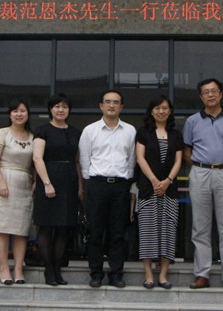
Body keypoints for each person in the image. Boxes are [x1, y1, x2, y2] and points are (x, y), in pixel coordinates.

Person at [182, 78, 223, 290]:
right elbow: (187, 151)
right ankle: (202, 274)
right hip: (200, 172)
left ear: (220, 94)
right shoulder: (192, 121)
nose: (210, 95)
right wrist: (200, 166)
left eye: (214, 91)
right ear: (201, 97)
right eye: (206, 92)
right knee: (200, 227)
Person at [79, 90, 137, 288]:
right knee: (95, 231)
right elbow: (85, 159)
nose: (112, 105)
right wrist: (90, 183)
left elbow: (132, 159)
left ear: (121, 107)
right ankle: (96, 273)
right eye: (108, 102)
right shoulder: (90, 130)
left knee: (118, 232)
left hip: (120, 185)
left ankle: (116, 274)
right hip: (97, 185)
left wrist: (128, 180)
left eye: (116, 102)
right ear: (101, 105)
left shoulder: (130, 131)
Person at [32, 94, 82, 286]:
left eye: (64, 106)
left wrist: (80, 186)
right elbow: (37, 158)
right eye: (57, 106)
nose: (61, 110)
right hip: (49, 179)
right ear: (50, 109)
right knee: (46, 226)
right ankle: (48, 270)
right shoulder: (42, 130)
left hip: (69, 181)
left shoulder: (76, 132)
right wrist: (46, 183)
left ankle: (58, 269)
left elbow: (77, 161)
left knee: (63, 228)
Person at [135, 95, 184, 290]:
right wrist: (155, 181)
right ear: (151, 111)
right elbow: (140, 158)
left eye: (164, 108)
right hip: (149, 189)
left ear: (170, 111)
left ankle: (163, 275)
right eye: (157, 108)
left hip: (169, 190)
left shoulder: (176, 134)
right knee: (147, 232)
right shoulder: (143, 132)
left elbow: (179, 161)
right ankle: (148, 275)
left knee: (168, 232)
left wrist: (167, 181)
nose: (161, 111)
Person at [0, 99, 34, 285]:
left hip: (24, 184)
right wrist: (0, 181)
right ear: (10, 114)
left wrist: (35, 183)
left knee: (21, 230)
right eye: (15, 111)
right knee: (2, 228)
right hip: (4, 180)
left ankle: (19, 269)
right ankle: (4, 267)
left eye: (22, 111)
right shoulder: (3, 133)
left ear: (28, 114)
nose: (19, 114)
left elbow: (35, 162)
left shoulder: (32, 137)